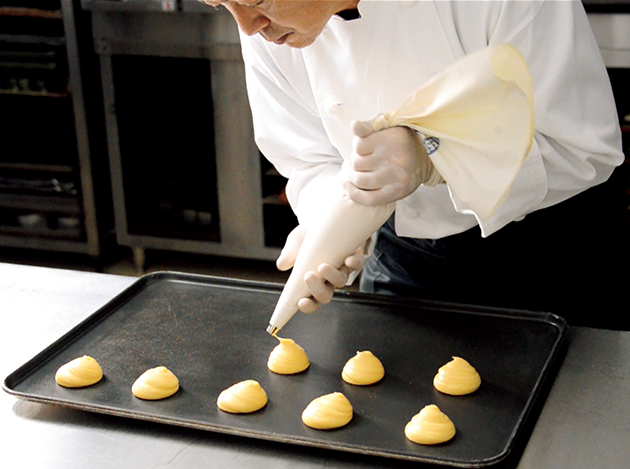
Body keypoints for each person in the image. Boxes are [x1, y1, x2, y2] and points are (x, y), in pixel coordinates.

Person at [204, 0, 626, 329]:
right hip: (405, 257)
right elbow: (308, 155)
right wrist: (329, 220)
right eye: (220, 6)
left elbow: (583, 147)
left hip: (549, 253)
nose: (247, 26)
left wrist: (435, 156)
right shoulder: (267, 27)